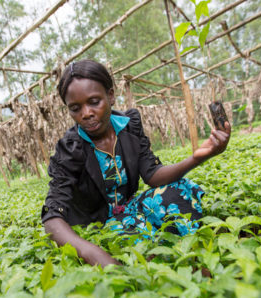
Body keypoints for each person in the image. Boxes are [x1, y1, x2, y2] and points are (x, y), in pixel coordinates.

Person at [41, 60, 230, 267]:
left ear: (111, 96)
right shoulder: (69, 149)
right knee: (133, 238)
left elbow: (152, 173)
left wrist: (199, 157)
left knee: (180, 189)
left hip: (130, 208)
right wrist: (91, 252)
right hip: (100, 223)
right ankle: (157, 265)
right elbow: (52, 215)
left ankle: (190, 255)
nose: (86, 113)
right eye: (75, 108)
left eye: (94, 102)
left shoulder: (129, 125)